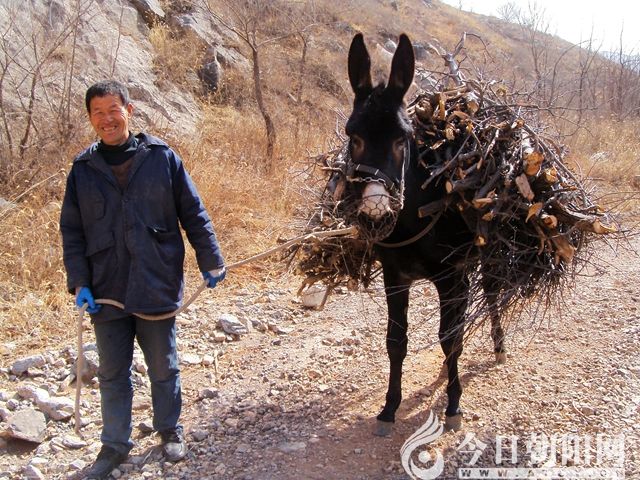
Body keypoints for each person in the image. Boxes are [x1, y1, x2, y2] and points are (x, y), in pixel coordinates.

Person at [60, 80, 226, 479]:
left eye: (113, 110)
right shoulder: (82, 170)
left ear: (129, 111)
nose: (107, 119)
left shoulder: (162, 157)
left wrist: (211, 259)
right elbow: (72, 232)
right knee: (112, 373)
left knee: (163, 366)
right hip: (106, 287)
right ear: (90, 118)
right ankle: (114, 446)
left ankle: (169, 429)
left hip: (155, 280)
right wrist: (80, 282)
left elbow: (193, 212)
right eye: (97, 113)